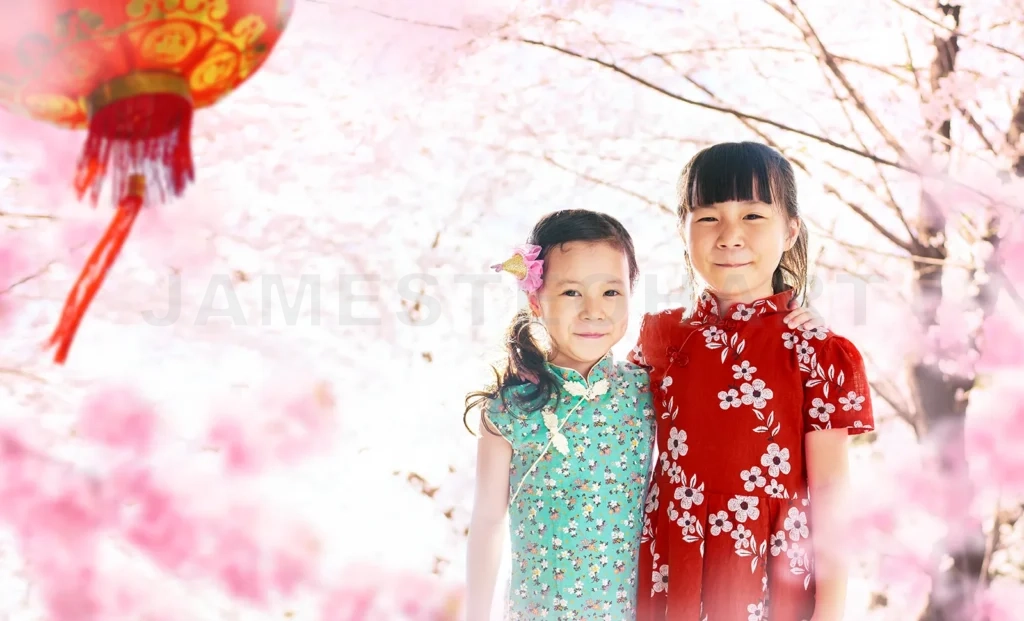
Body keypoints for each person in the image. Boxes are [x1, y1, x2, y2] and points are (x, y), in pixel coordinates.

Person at [463, 207, 826, 620]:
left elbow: (731, 380)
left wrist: (797, 327)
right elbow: (488, 523)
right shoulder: (509, 411)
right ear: (535, 299)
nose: (593, 311)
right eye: (571, 293)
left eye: (611, 292)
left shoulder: (644, 387)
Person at [628, 142, 875, 621]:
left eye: (754, 216)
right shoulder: (659, 336)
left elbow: (831, 495)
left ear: (790, 230)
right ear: (683, 231)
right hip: (669, 567)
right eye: (708, 218)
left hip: (770, 573)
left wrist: (830, 612)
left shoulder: (818, 353)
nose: (730, 235)